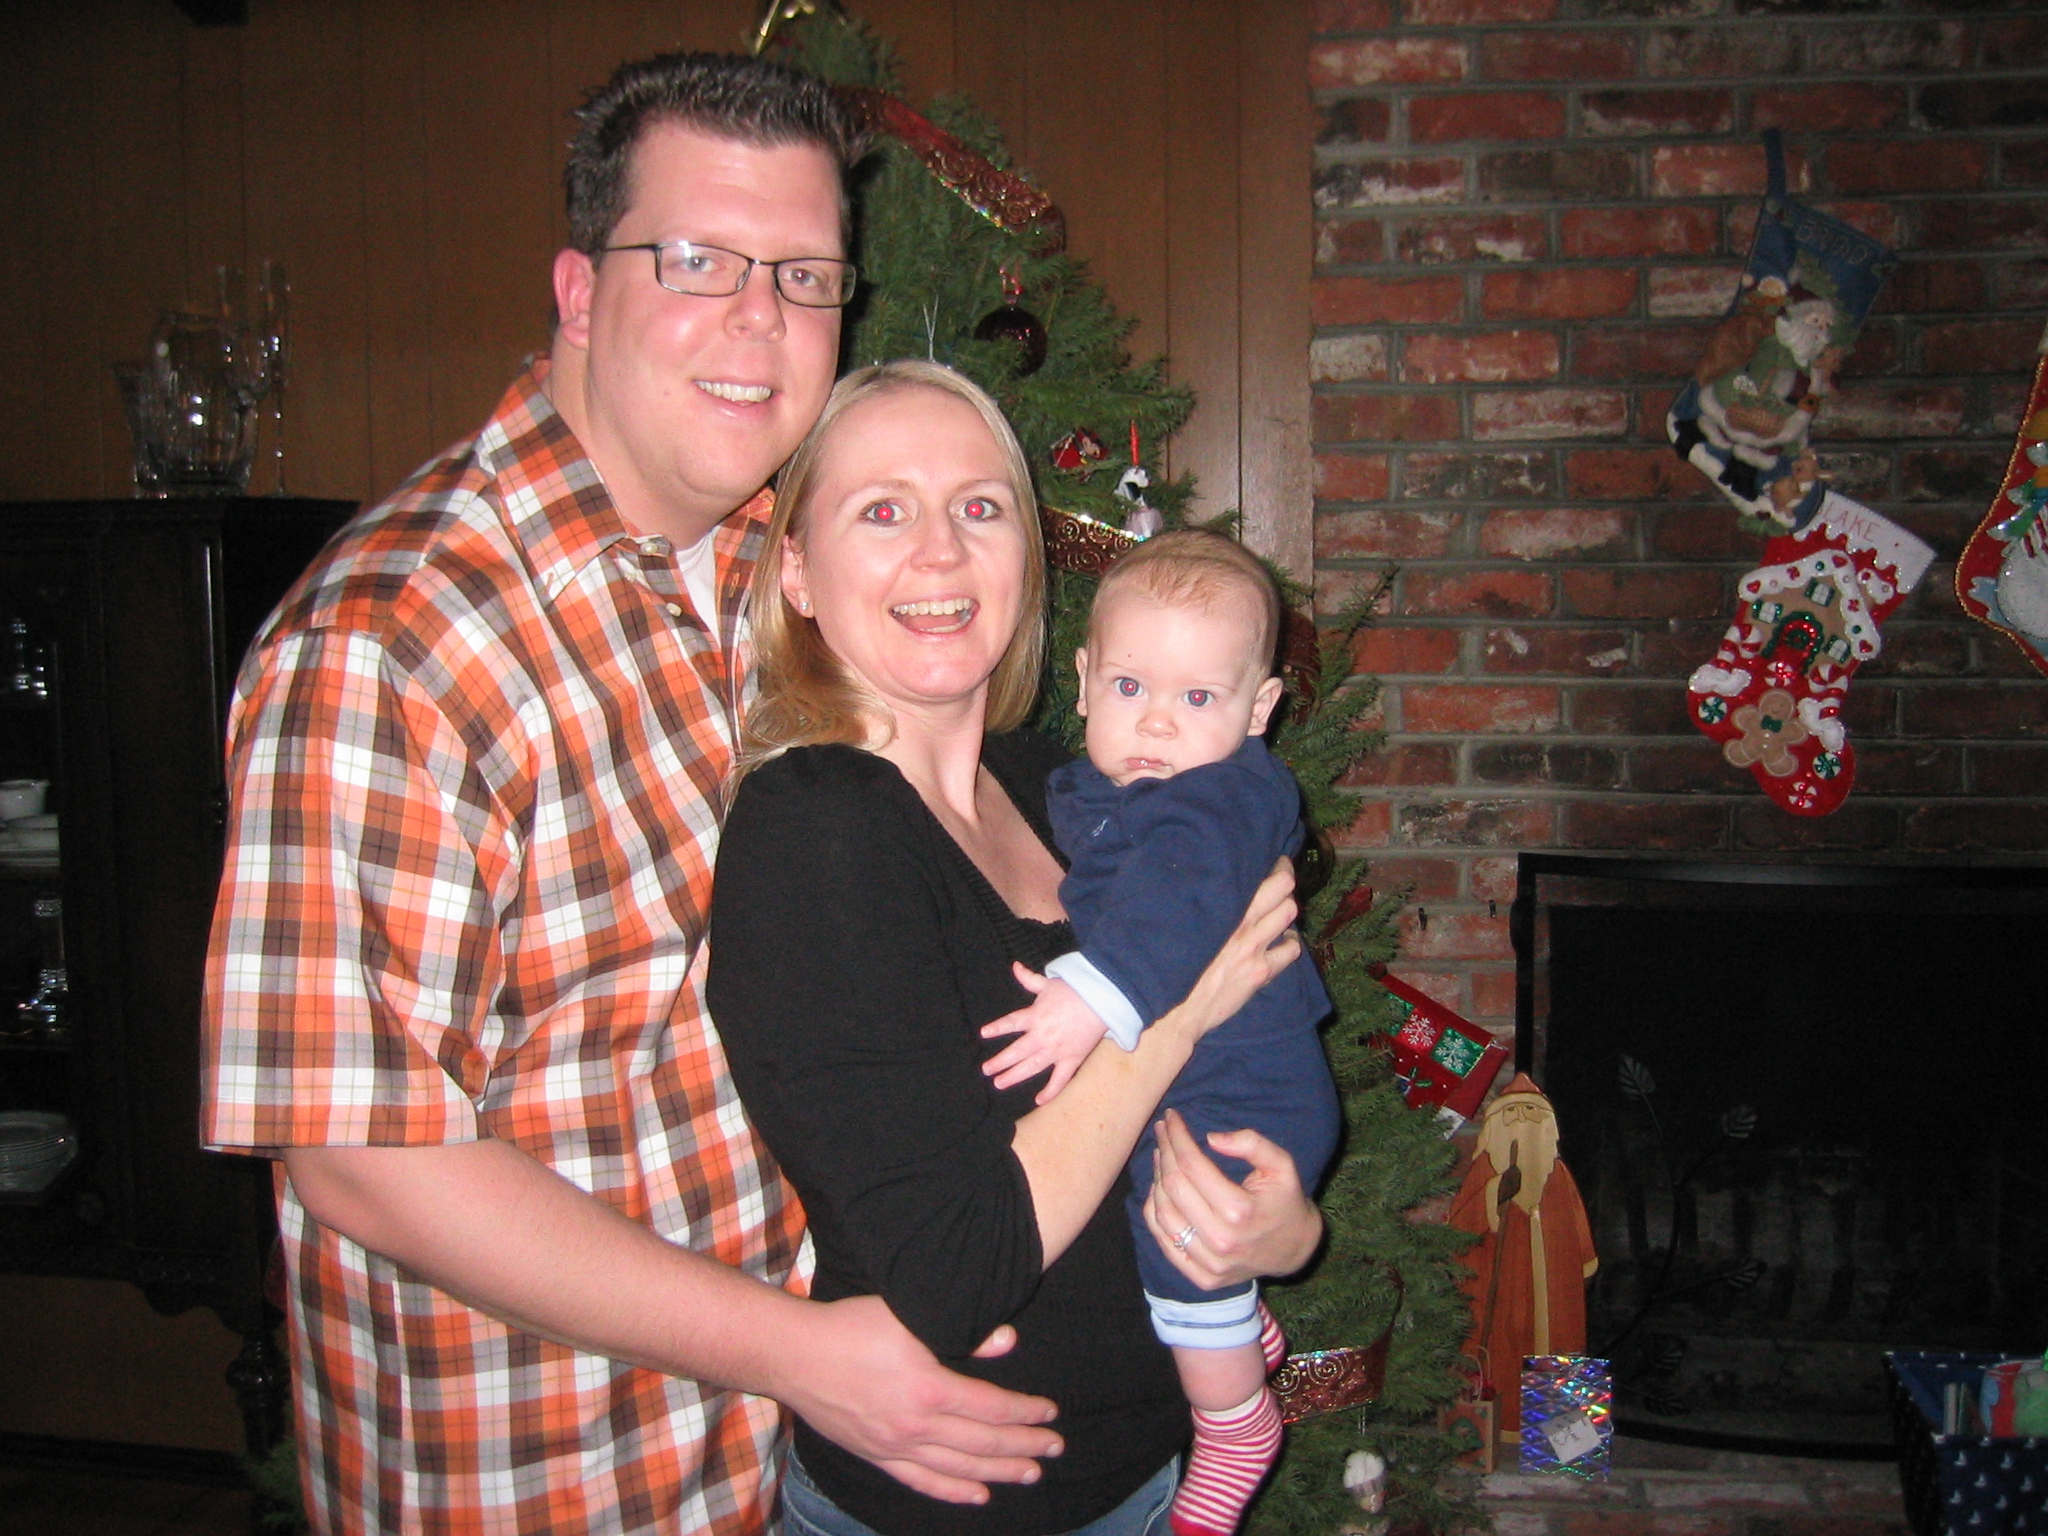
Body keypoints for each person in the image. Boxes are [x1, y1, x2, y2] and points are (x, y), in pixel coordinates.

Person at [200, 50, 1315, 1536]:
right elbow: (356, 1152)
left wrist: (1259, 1217)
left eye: (802, 277)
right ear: (578, 291)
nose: (757, 317)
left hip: (788, 1453)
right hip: (553, 1462)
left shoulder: (763, 578)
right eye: (696, 260)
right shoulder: (396, 640)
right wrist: (796, 1351)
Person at [706, 361, 1324, 1536]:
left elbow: (1263, 982)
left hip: (1146, 1474)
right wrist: (1172, 1015)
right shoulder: (816, 827)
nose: (939, 550)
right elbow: (956, 1270)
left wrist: (1279, 1228)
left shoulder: (1060, 785)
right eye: (880, 510)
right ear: (797, 571)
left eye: (979, 506)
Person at [975, 530, 1340, 1536]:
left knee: (1182, 1239)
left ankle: (1233, 1425)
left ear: (1258, 711)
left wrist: (1088, 997)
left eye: (1198, 697)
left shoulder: (1225, 795)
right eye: (1130, 686)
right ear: (1084, 679)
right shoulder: (1088, 784)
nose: (1157, 723)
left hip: (1244, 1090)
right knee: (1175, 1236)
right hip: (1204, 1071)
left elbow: (1178, 903)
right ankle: (1235, 1335)